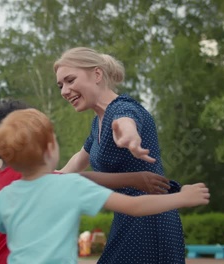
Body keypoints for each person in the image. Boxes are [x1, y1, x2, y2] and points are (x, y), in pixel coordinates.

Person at [0, 108, 210, 263]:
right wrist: (183, 197)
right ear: (50, 150)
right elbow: (135, 205)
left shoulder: (7, 194)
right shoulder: (67, 186)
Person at [54, 47, 186, 263]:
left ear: (97, 75)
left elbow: (126, 121)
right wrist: (53, 177)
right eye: (61, 85)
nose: (64, 91)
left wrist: (130, 136)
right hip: (128, 217)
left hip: (150, 219)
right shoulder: (97, 122)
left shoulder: (121, 108)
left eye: (70, 80)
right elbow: (80, 158)